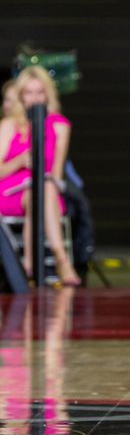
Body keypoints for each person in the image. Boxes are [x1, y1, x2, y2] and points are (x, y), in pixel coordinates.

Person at [0, 68, 80, 286]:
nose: (34, 98)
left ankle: (28, 265)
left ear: (47, 94)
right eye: (28, 92)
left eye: (39, 92)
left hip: (46, 191)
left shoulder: (60, 125)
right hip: (9, 191)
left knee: (43, 189)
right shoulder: (9, 125)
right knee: (40, 192)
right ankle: (60, 260)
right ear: (20, 96)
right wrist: (19, 161)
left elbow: (56, 172)